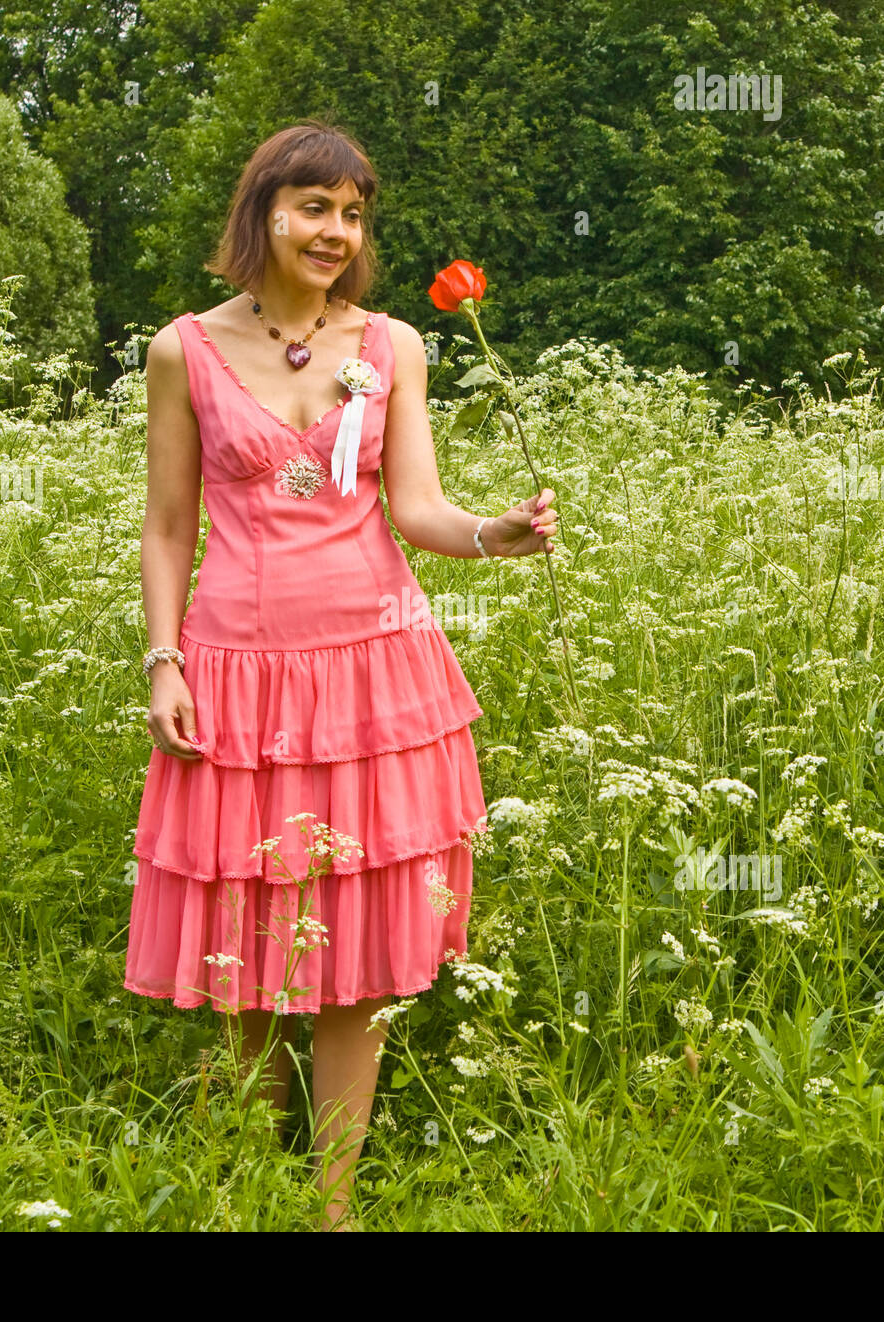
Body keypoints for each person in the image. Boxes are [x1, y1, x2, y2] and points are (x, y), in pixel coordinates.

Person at [123, 120, 559, 1232]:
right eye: (313, 205)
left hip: (377, 672)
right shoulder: (183, 347)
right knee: (243, 938)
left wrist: (488, 532)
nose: (335, 230)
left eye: (353, 212)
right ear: (263, 208)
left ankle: (331, 1208)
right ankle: (236, 1190)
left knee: (355, 950)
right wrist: (163, 659)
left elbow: (414, 504)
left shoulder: (395, 344)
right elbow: (170, 526)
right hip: (236, 673)